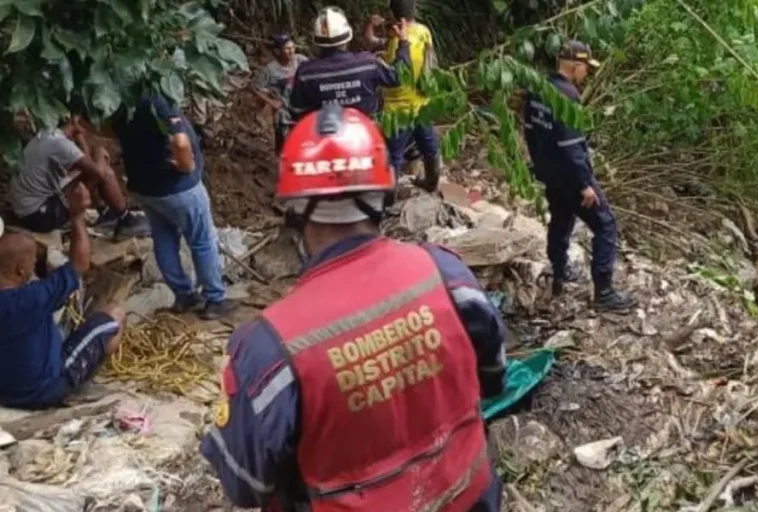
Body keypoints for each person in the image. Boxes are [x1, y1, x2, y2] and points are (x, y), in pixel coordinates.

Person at [201, 105, 506, 511]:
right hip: (467, 497)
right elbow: (493, 378)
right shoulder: (448, 276)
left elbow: (245, 485)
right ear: (385, 191)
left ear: (294, 208)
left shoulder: (268, 349)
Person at [523, 41, 636, 311]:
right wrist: (585, 184)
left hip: (549, 171)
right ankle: (604, 292)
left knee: (561, 219)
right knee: (606, 225)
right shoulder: (567, 96)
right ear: (575, 67)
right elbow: (571, 146)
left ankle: (559, 274)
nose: (587, 73)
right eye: (585, 68)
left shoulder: (537, 88)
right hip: (570, 175)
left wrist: (540, 165)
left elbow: (529, 130)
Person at [0, 183, 126, 409]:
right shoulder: (33, 298)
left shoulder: (29, 297)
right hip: (46, 389)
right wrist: (77, 215)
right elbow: (80, 264)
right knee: (115, 315)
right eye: (32, 262)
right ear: (20, 270)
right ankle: (82, 380)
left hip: (5, 393)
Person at [110, 92, 230, 320]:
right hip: (177, 186)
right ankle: (215, 298)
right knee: (202, 240)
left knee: (164, 238)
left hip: (144, 186)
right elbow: (180, 142)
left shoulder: (119, 96)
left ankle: (184, 295)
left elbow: (104, 128)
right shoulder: (157, 97)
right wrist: (187, 166)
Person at [8, 109, 149, 239]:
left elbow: (86, 162)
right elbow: (98, 173)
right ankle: (126, 220)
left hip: (27, 209)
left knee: (89, 170)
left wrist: (79, 135)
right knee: (104, 172)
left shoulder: (48, 134)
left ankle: (106, 213)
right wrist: (99, 153)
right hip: (37, 216)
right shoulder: (60, 144)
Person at [363, 0, 443, 192]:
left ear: (394, 15)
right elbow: (430, 64)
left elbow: (391, 67)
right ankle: (431, 184)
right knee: (429, 148)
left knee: (393, 156)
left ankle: (388, 197)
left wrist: (375, 28)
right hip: (421, 105)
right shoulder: (423, 32)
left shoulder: (397, 40)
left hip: (397, 111)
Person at [288, 6, 411, 120]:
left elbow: (296, 111)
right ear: (348, 36)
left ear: (317, 41)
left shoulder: (305, 73)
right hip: (364, 133)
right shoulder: (369, 64)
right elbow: (400, 76)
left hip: (324, 133)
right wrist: (404, 42)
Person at [251, 33, 309, 153]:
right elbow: (254, 87)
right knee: (283, 140)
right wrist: (271, 101)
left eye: (292, 47)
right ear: (278, 51)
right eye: (287, 49)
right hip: (283, 110)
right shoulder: (270, 69)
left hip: (301, 107)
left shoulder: (300, 61)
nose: (291, 51)